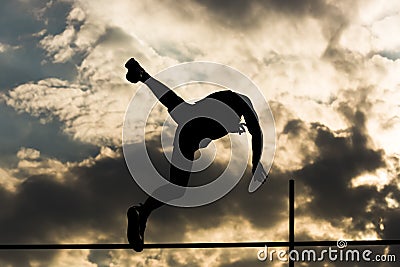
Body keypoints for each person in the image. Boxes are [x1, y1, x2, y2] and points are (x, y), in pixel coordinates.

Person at [125, 58, 267, 252]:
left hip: (186, 136)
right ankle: (142, 213)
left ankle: (142, 212)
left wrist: (145, 78)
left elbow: (170, 100)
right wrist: (256, 163)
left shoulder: (201, 117)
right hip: (195, 126)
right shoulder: (240, 103)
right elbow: (257, 132)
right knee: (177, 187)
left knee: (176, 189)